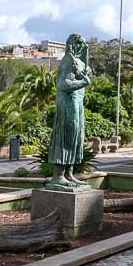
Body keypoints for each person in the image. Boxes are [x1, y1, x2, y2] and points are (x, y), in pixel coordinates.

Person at [46, 33, 91, 191]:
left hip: (77, 105)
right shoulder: (68, 60)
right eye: (80, 45)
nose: (83, 48)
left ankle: (69, 174)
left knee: (75, 138)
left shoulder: (78, 61)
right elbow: (63, 84)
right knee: (65, 137)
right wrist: (83, 82)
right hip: (67, 104)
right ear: (73, 45)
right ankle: (58, 176)